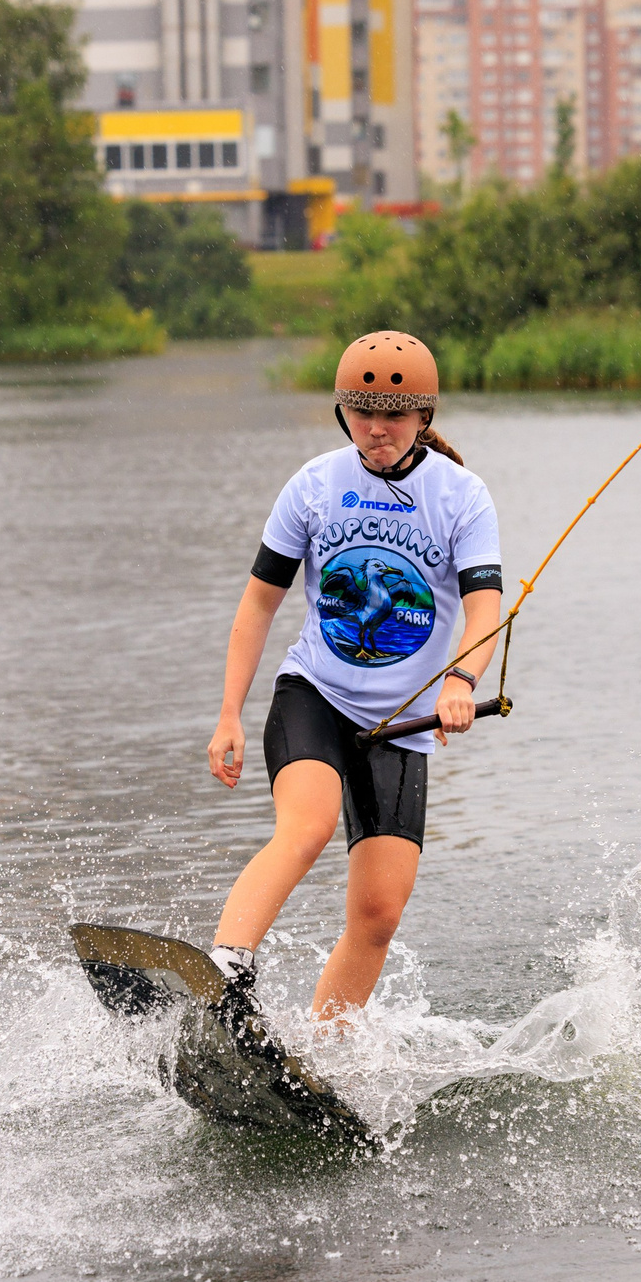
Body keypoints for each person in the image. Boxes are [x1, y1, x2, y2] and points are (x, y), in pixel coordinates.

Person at [204, 330, 505, 1023]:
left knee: (378, 913)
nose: (378, 427)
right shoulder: (315, 486)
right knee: (305, 828)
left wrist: (460, 681)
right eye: (363, 411)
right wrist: (229, 712)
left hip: (403, 721)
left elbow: (485, 604)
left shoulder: (461, 496)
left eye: (395, 414)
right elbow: (258, 602)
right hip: (316, 695)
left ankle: (325, 1057)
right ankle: (227, 971)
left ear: (423, 417)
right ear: (344, 412)